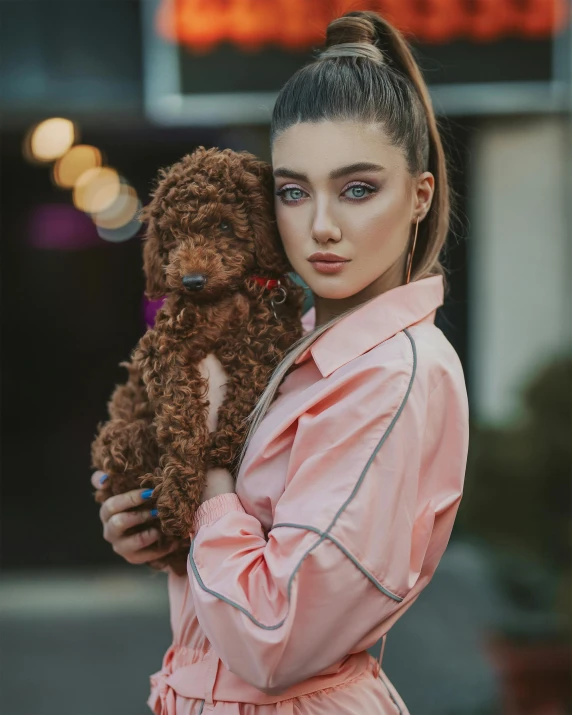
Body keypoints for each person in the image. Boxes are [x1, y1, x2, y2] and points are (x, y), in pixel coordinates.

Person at [92, 10, 469, 714]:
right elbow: (232, 557)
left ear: (419, 195)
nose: (321, 224)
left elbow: (275, 636)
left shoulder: (392, 373)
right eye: (294, 191)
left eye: (358, 188)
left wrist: (205, 466)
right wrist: (151, 523)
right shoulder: (285, 345)